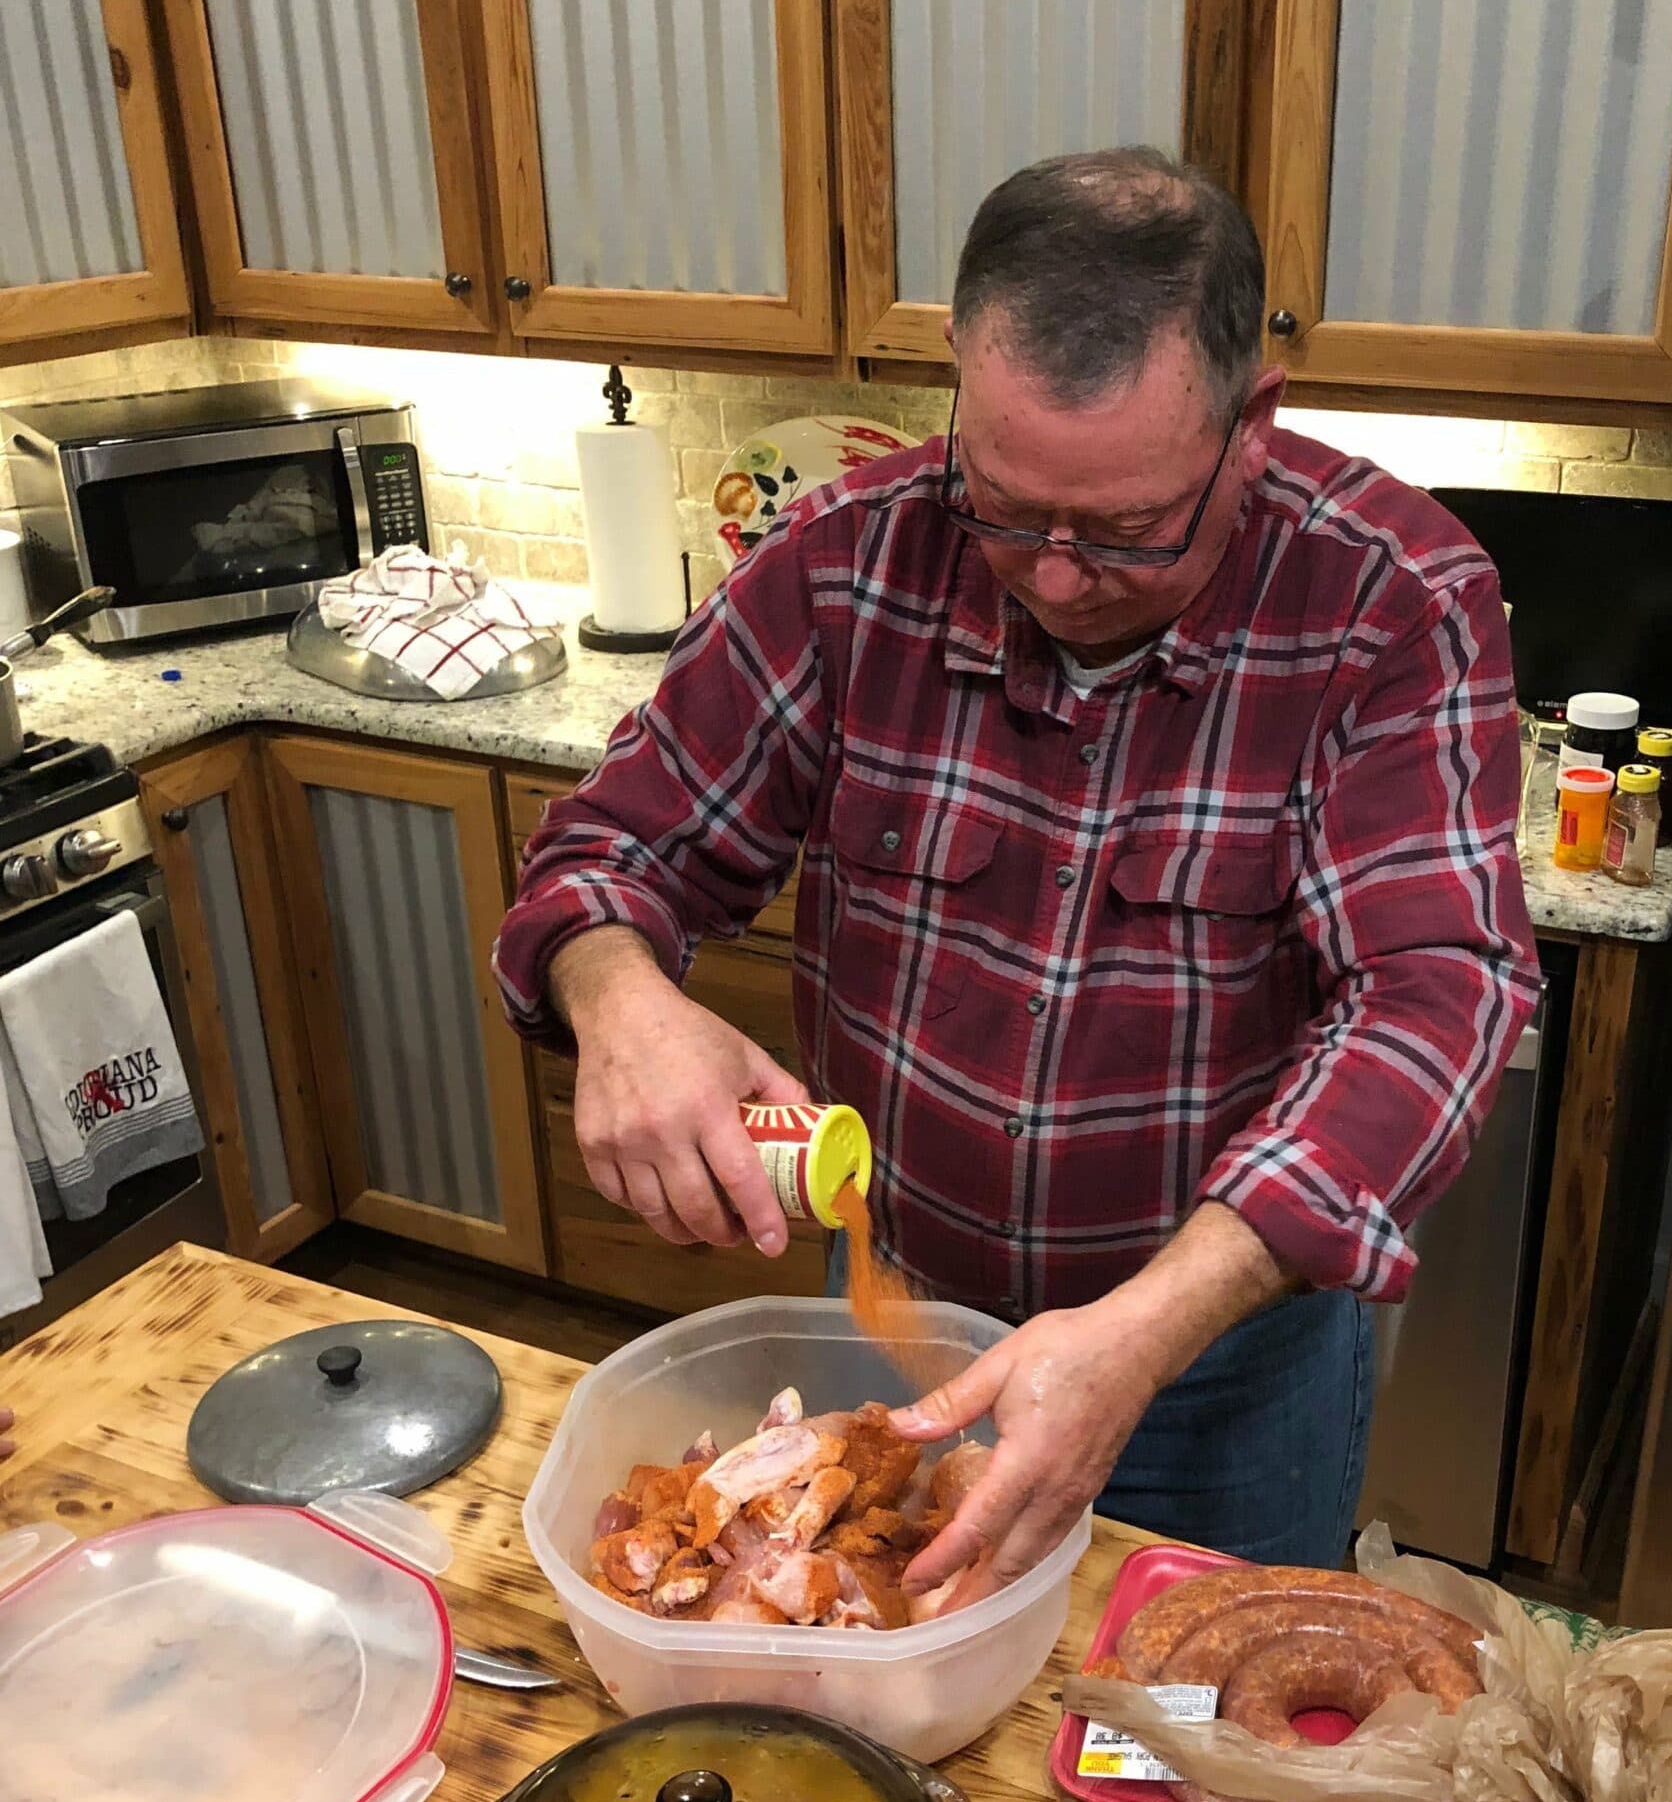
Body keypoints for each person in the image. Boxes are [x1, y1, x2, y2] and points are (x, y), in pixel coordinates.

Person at [496, 149, 1538, 1603]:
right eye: (1002, 503)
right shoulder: (845, 560)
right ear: (958, 388)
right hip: (894, 1332)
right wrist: (614, 993)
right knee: (880, 1693)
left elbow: (1436, 997)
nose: (1050, 575)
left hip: (1210, 1376)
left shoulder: (1392, 603)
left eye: (1122, 530)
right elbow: (612, 845)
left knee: (1184, 1768)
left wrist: (1142, 1333)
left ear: (1253, 424)